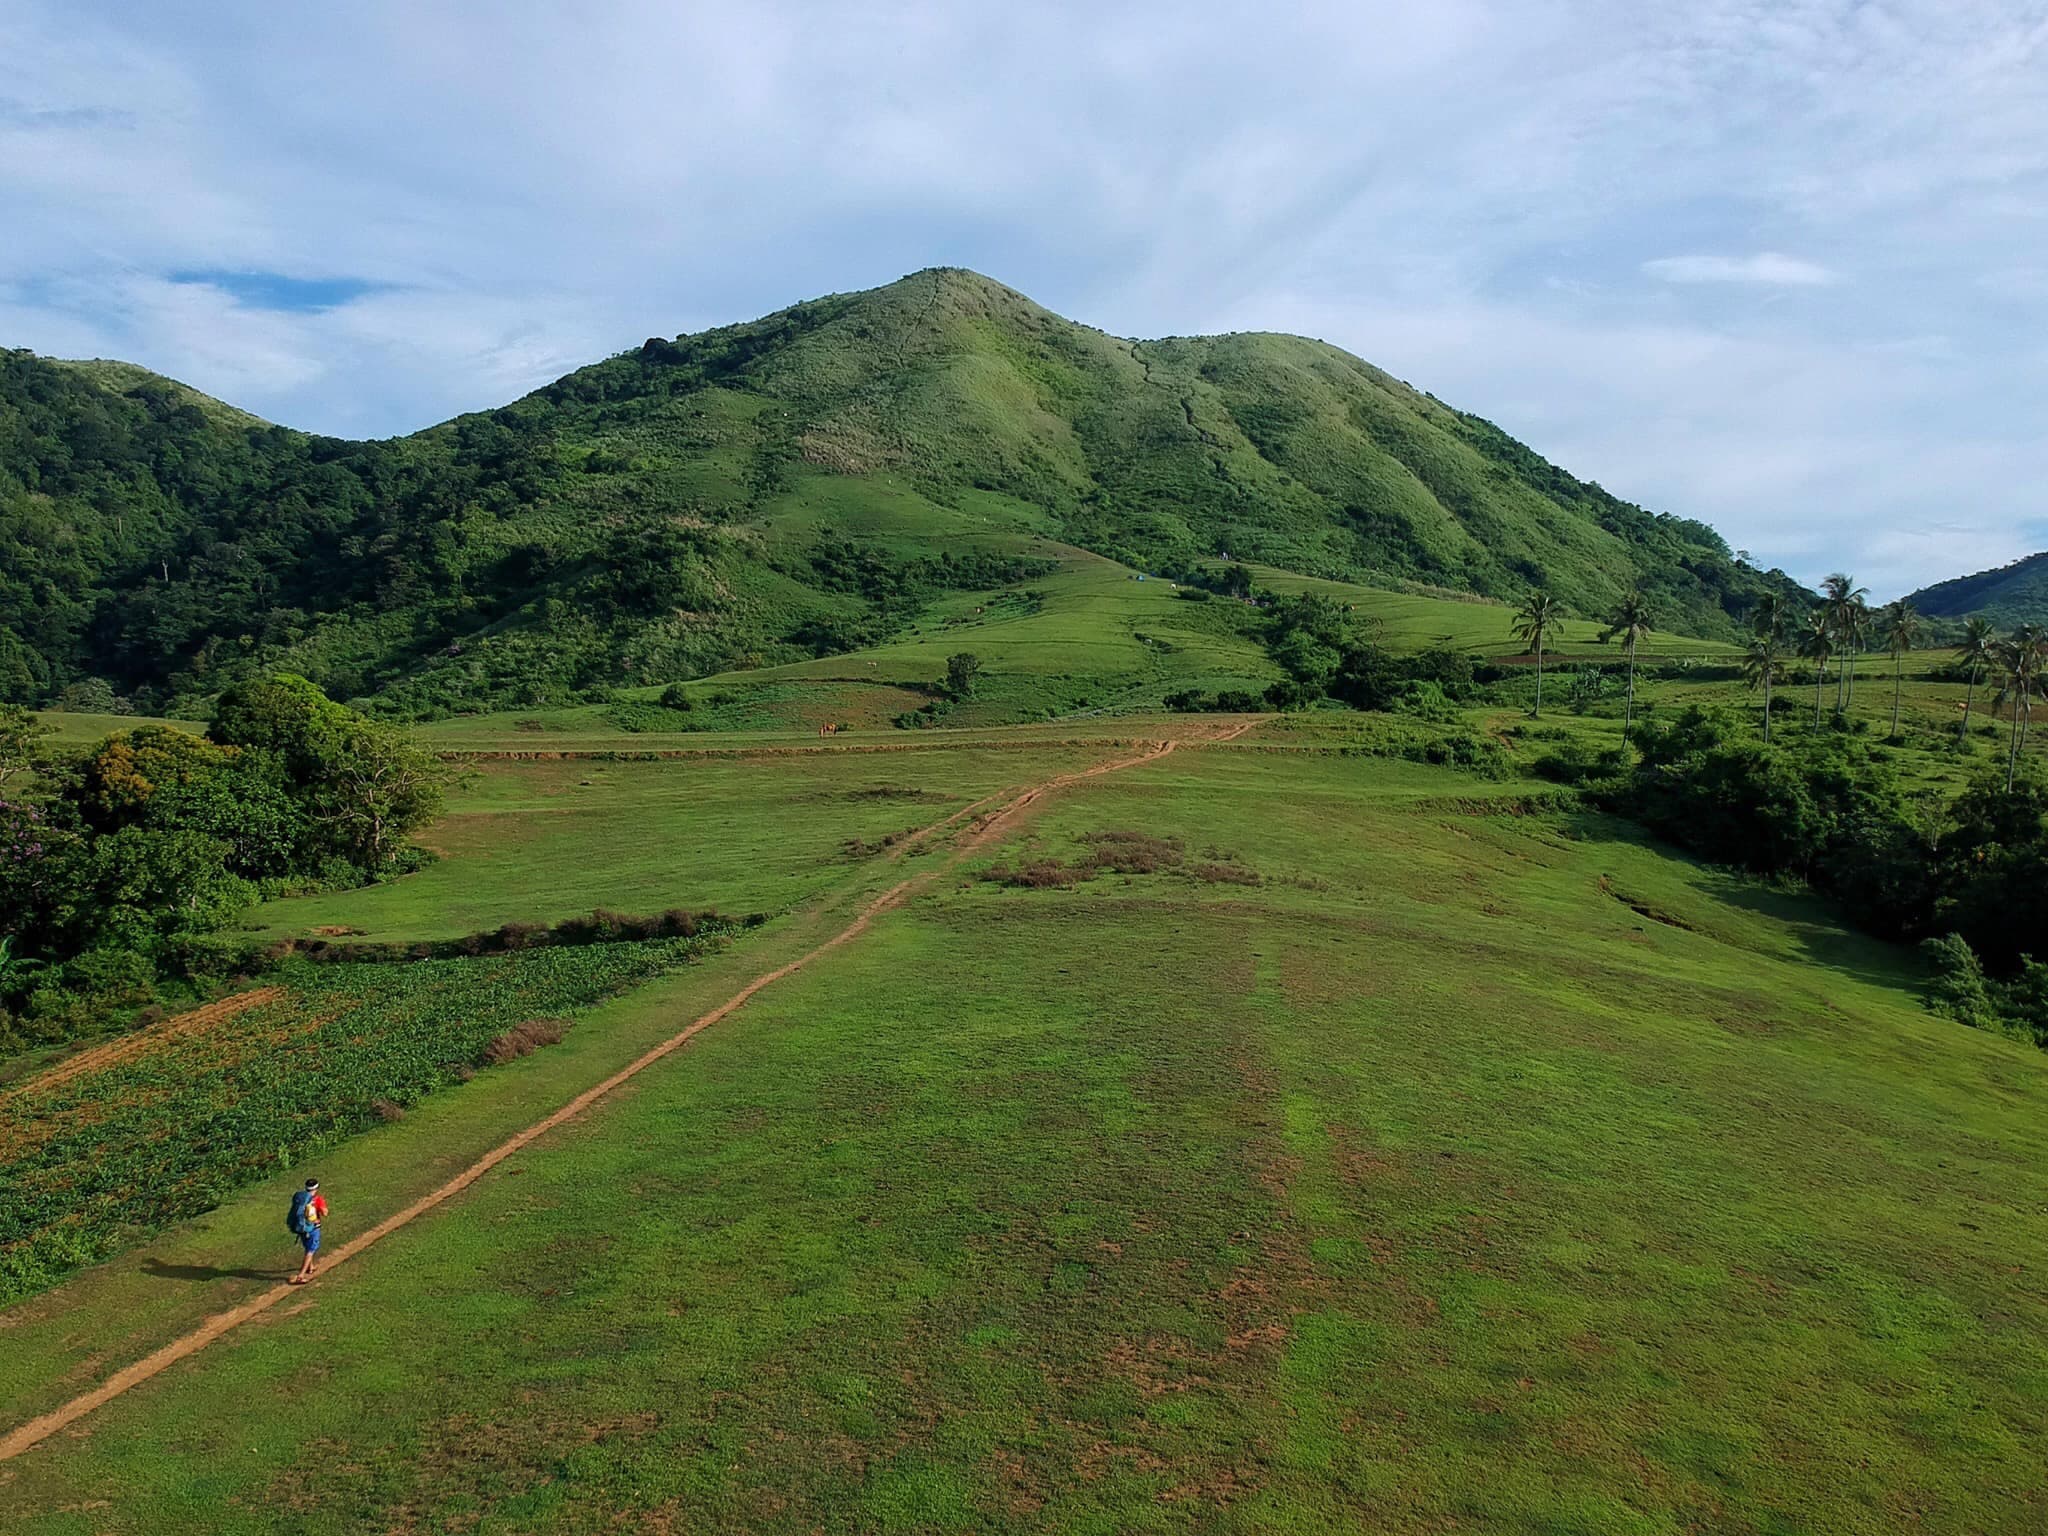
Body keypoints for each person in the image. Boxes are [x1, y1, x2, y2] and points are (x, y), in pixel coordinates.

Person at [291, 1178, 327, 1284]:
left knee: (307, 1247)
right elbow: (325, 1213)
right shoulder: (318, 1199)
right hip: (313, 1228)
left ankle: (310, 1267)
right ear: (317, 1188)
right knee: (311, 1250)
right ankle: (301, 1275)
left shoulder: (301, 1198)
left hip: (301, 1228)